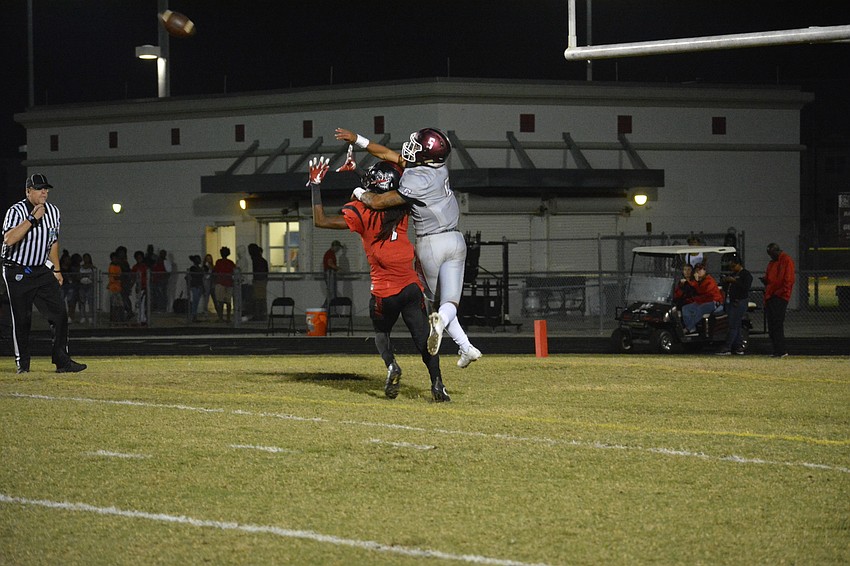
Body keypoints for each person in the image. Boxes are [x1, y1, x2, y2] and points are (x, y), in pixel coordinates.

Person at [334, 126, 482, 368]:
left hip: (431, 243)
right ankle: (466, 347)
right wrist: (358, 141)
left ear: (426, 154)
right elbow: (386, 155)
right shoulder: (440, 168)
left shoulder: (414, 180)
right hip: (456, 239)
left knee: (437, 304)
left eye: (417, 146)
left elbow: (379, 201)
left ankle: (441, 325)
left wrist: (358, 189)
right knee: (451, 302)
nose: (411, 148)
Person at [308, 155, 450, 401]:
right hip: (410, 286)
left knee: (382, 334)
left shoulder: (361, 211)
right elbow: (385, 184)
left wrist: (316, 186)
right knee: (422, 339)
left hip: (384, 291)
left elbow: (321, 221)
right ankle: (437, 384)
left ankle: (392, 365)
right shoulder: (403, 204)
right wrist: (358, 172)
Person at [0, 174, 86, 374]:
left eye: (46, 188)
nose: (44, 192)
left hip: (41, 269)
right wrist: (31, 219)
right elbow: (9, 239)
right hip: (17, 269)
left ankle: (62, 361)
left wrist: (56, 269)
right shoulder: (16, 211)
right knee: (22, 319)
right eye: (39, 188)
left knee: (59, 315)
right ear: (28, 191)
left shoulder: (54, 212)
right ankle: (23, 364)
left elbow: (52, 242)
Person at [762, 242, 795, 358]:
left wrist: (781, 292)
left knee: (777, 323)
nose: (770, 256)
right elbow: (771, 278)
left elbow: (788, 279)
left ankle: (781, 350)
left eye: (771, 254)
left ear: (776, 251)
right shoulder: (772, 262)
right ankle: (777, 350)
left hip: (779, 296)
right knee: (772, 324)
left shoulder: (786, 260)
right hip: (771, 295)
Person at [716, 255, 752, 355]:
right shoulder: (734, 274)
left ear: (738, 264)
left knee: (733, 325)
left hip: (739, 302)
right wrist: (725, 281)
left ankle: (727, 347)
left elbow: (745, 288)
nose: (731, 268)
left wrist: (735, 281)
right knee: (736, 325)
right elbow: (726, 287)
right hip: (730, 302)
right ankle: (738, 347)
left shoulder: (746, 274)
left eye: (733, 266)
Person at [681, 262, 724, 335]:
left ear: (704, 271)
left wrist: (694, 281)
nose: (698, 272)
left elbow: (703, 291)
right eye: (697, 270)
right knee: (685, 308)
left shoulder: (709, 280)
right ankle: (692, 329)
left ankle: (688, 328)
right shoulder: (699, 281)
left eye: (700, 270)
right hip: (702, 302)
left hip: (713, 302)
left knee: (700, 309)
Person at [213, 246, 236, 322]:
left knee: (220, 301)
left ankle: (220, 317)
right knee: (228, 301)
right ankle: (228, 317)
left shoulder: (218, 262)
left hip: (220, 283)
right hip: (229, 283)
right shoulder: (231, 263)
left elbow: (215, 271)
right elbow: (234, 271)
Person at [248, 243, 269, 321]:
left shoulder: (255, 260)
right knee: (262, 298)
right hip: (262, 280)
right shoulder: (263, 260)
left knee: (257, 299)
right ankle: (262, 314)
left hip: (258, 280)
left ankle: (258, 315)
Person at [131, 250, 149, 325]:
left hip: (144, 287)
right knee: (138, 303)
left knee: (142, 303)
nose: (139, 259)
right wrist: (132, 286)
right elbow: (133, 277)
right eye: (137, 258)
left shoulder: (145, 267)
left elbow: (148, 277)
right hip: (138, 287)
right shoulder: (135, 267)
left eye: (140, 257)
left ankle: (142, 319)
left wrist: (146, 287)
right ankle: (139, 318)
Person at [323, 240, 343, 306]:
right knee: (331, 292)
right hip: (329, 273)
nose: (338, 250)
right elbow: (330, 264)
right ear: (334, 246)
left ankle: (327, 308)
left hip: (330, 273)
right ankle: (326, 308)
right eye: (337, 248)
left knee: (331, 292)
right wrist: (339, 268)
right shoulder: (330, 253)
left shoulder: (331, 253)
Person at [77, 252, 96, 324]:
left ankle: (90, 316)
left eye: (87, 258)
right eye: (85, 258)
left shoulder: (92, 267)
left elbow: (93, 276)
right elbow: (78, 276)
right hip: (82, 285)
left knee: (90, 301)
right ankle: (82, 316)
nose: (86, 259)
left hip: (89, 285)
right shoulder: (81, 267)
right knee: (82, 301)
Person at [187, 255, 204, 322]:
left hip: (199, 285)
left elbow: (201, 277)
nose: (199, 261)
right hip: (195, 286)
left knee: (196, 301)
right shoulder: (193, 268)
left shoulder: (200, 268)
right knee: (195, 301)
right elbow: (195, 276)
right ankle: (193, 315)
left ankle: (194, 315)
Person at [201, 253, 215, 318]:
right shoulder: (206, 266)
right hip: (206, 281)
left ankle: (207, 310)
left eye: (209, 259)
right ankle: (205, 311)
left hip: (211, 282)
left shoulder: (212, 266)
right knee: (206, 297)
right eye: (207, 259)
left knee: (211, 297)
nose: (209, 260)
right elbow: (206, 275)